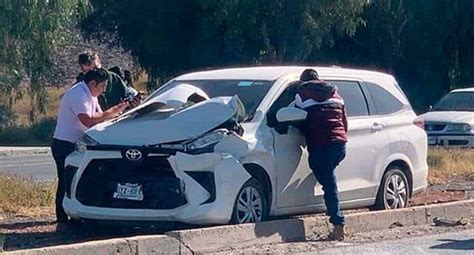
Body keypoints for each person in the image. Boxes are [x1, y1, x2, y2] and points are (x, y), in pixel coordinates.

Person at [51, 68, 128, 225]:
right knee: (66, 181)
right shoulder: (79, 94)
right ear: (93, 83)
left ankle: (78, 213)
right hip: (65, 144)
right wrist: (113, 111)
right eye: (102, 87)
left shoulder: (91, 95)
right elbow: (88, 120)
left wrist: (119, 113)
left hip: (79, 144)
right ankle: (62, 218)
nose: (103, 91)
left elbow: (100, 118)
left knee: (80, 179)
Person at [295, 68, 348, 240]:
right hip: (339, 144)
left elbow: (297, 119)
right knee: (328, 177)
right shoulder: (336, 95)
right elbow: (344, 121)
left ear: (303, 81)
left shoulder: (302, 94)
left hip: (319, 144)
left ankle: (338, 222)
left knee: (328, 182)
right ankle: (335, 215)